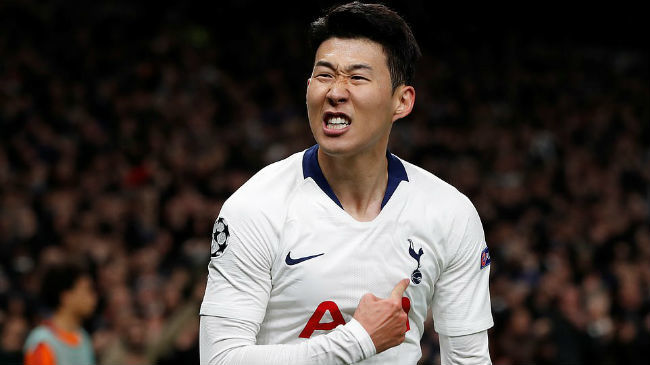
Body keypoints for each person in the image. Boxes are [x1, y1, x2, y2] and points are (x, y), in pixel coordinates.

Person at [199, 2, 493, 364]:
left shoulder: (450, 213)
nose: (335, 92)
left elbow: (469, 360)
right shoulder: (255, 207)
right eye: (324, 76)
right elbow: (219, 359)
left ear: (401, 101)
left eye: (357, 77)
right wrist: (358, 340)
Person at [23, 263, 97, 365]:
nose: (93, 298)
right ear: (66, 297)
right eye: (87, 290)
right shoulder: (43, 341)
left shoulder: (84, 338)